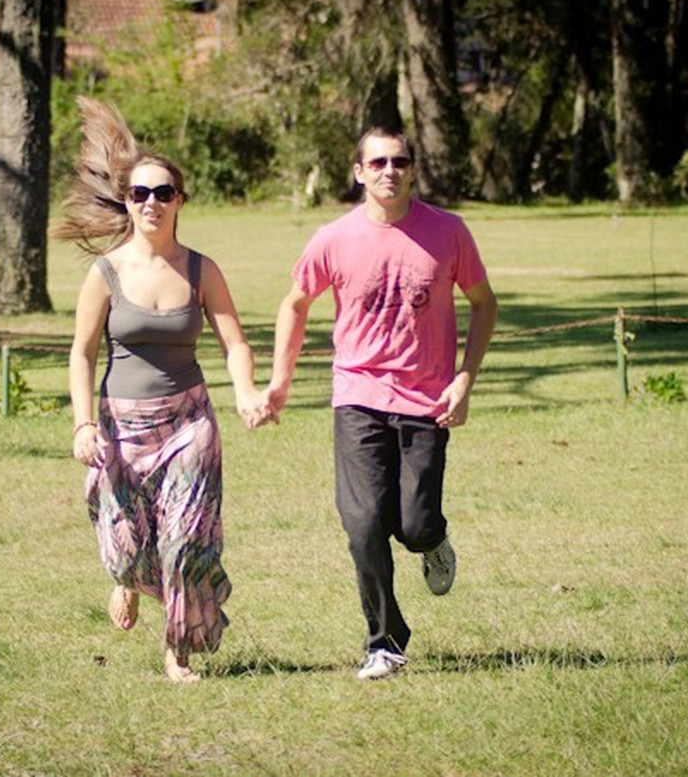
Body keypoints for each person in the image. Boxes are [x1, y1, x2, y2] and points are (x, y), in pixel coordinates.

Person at [264, 127, 498, 680]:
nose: (389, 170)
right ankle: (385, 641)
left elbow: (484, 304)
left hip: (427, 398)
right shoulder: (333, 238)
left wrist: (465, 379)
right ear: (358, 172)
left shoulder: (448, 232)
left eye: (400, 161)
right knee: (364, 523)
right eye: (378, 162)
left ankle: (433, 540)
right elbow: (294, 305)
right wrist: (279, 382)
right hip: (358, 395)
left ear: (413, 169)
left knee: (413, 526)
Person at [56, 98, 268, 683]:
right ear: (127, 201)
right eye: (140, 194)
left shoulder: (201, 270)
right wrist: (82, 424)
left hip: (190, 423)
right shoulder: (104, 274)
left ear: (180, 200)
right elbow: (82, 352)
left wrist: (246, 392)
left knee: (183, 541)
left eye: (163, 192)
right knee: (127, 546)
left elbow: (235, 343)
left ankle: (177, 651)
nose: (151, 202)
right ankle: (125, 579)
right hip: (121, 427)